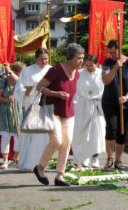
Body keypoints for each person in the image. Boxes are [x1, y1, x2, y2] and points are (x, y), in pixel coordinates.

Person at [33, 43, 84, 187]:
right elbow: (39, 87)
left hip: (68, 112)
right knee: (57, 141)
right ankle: (40, 167)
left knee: (66, 143)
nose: (81, 61)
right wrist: (56, 94)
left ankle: (60, 176)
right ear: (70, 58)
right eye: (79, 58)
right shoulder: (55, 70)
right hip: (52, 110)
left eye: (82, 58)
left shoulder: (78, 73)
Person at [101, 40, 128, 170]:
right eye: (109, 52)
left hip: (126, 103)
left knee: (122, 132)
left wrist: (127, 96)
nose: (111, 54)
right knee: (111, 129)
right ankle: (109, 159)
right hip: (109, 102)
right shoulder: (107, 63)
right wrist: (115, 68)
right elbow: (105, 81)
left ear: (119, 50)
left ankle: (118, 160)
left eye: (113, 52)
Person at [14, 48, 51, 171]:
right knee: (30, 134)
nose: (44, 61)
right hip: (31, 105)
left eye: (46, 59)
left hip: (47, 105)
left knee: (45, 135)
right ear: (36, 59)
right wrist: (27, 91)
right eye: (41, 59)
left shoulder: (52, 70)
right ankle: (28, 163)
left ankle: (43, 163)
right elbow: (18, 90)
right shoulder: (28, 71)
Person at [72, 54, 106, 168]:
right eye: (86, 65)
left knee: (96, 133)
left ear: (96, 64)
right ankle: (83, 157)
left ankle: (95, 158)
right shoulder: (79, 73)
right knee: (81, 133)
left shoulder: (102, 73)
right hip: (82, 105)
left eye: (91, 65)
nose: (88, 67)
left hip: (97, 105)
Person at [0, 63, 24, 169]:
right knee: (5, 137)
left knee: (18, 137)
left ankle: (16, 159)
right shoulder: (4, 82)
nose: (21, 74)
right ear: (16, 71)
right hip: (5, 112)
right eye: (20, 72)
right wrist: (7, 99)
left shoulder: (20, 82)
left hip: (18, 111)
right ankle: (5, 160)